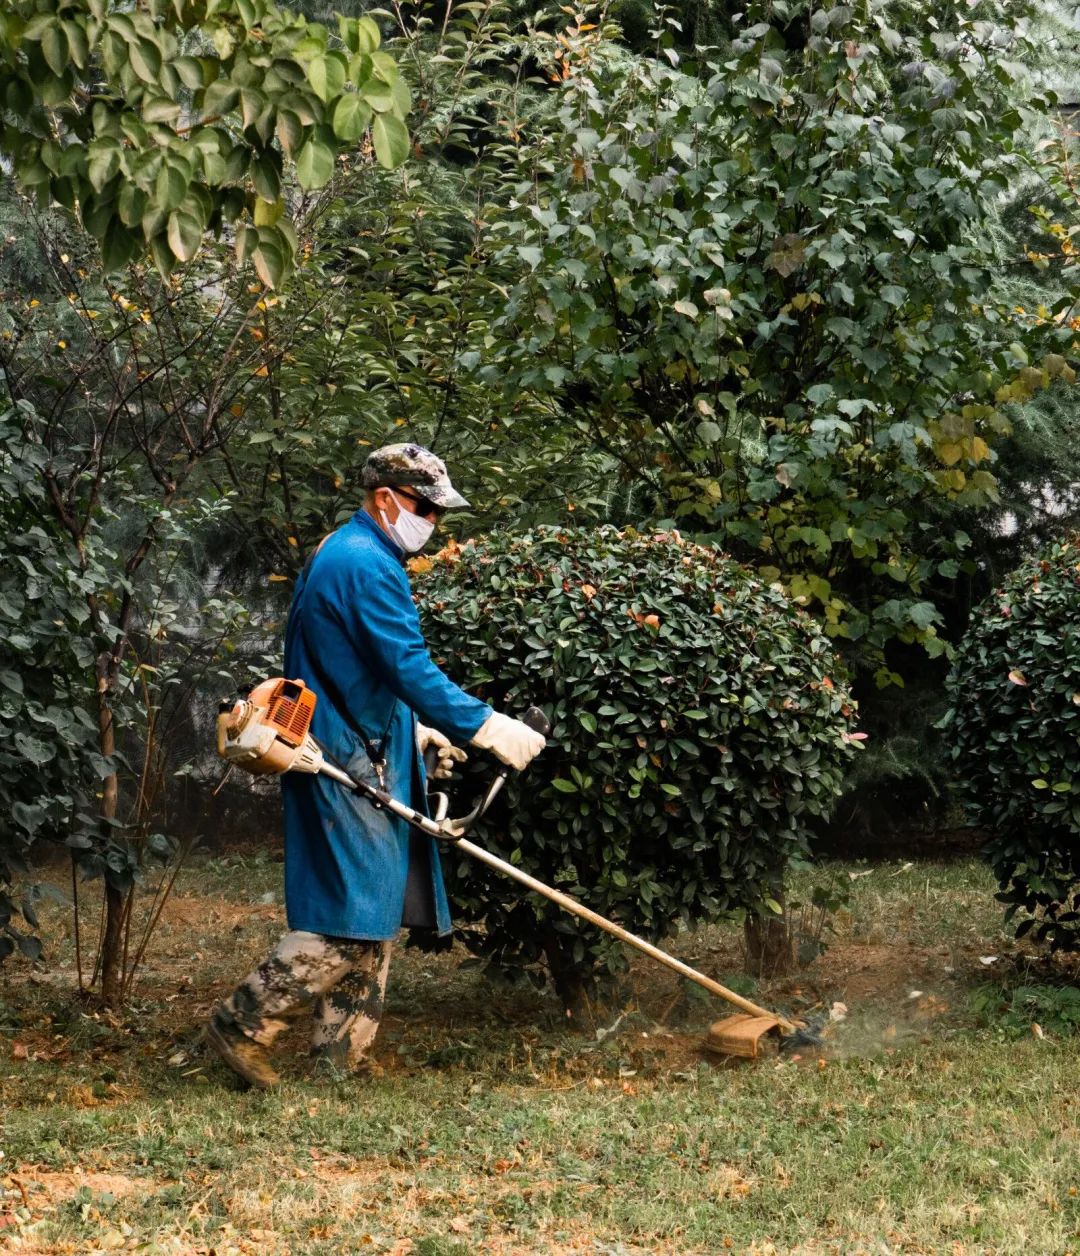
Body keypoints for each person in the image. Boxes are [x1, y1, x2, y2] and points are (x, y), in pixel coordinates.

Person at [206, 443, 546, 1087]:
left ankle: (339, 1061)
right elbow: (405, 664)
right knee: (351, 913)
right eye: (424, 507)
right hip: (341, 754)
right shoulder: (364, 562)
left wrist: (410, 728)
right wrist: (484, 725)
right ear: (386, 499)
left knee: (375, 909)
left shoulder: (353, 551)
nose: (432, 523)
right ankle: (241, 1023)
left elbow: (355, 663)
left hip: (364, 742)